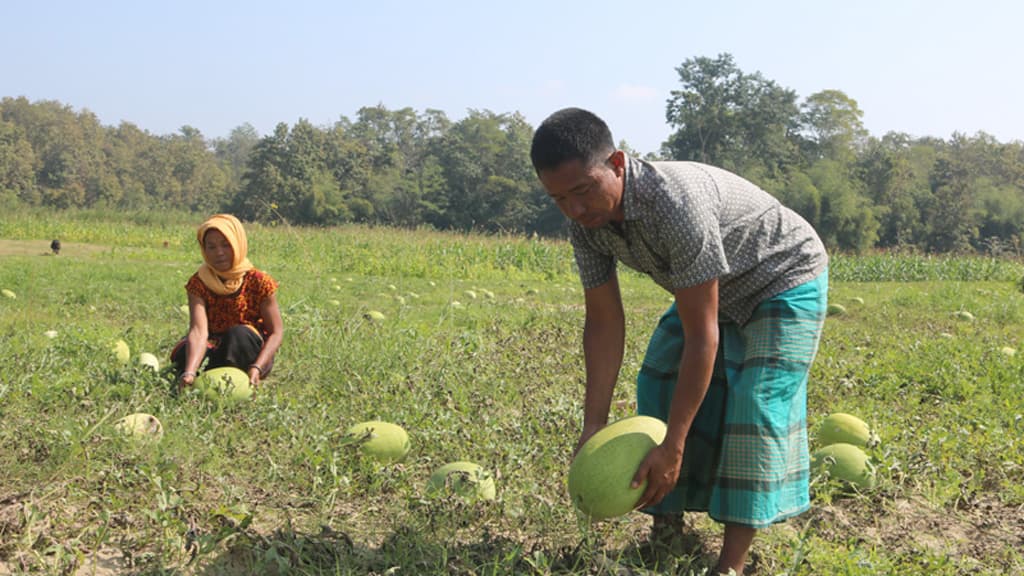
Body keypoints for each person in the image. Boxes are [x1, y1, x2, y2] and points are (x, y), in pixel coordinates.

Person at [530, 108, 828, 575]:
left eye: (584, 191)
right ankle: (666, 533)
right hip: (714, 289)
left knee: (755, 405)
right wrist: (593, 425)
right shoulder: (585, 225)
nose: (576, 209)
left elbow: (702, 334)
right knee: (659, 382)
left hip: (781, 276)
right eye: (559, 199)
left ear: (618, 164)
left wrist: (675, 445)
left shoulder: (673, 205)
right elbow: (604, 322)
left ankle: (730, 565)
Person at [172, 214, 283, 390]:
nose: (219, 252)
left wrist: (257, 367)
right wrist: (190, 372)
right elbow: (199, 331)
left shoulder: (259, 281)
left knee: (238, 334)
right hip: (215, 345)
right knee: (183, 352)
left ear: (238, 244)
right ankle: (203, 378)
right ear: (204, 249)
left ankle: (236, 376)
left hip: (248, 348)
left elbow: (276, 332)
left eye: (226, 245)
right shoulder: (198, 283)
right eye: (212, 247)